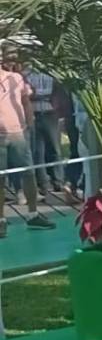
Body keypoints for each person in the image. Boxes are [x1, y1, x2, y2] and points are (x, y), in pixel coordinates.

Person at [0, 57, 55, 237]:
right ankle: (1, 221)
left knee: (28, 173)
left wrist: (29, 124)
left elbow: (25, 101)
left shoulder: (15, 78)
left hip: (18, 133)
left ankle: (33, 215)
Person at [21, 66, 62, 195]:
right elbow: (27, 93)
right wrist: (39, 95)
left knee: (55, 148)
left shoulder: (51, 71)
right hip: (34, 114)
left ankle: (58, 180)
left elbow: (55, 90)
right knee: (38, 151)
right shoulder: (26, 73)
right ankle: (43, 183)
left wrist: (38, 94)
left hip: (50, 113)